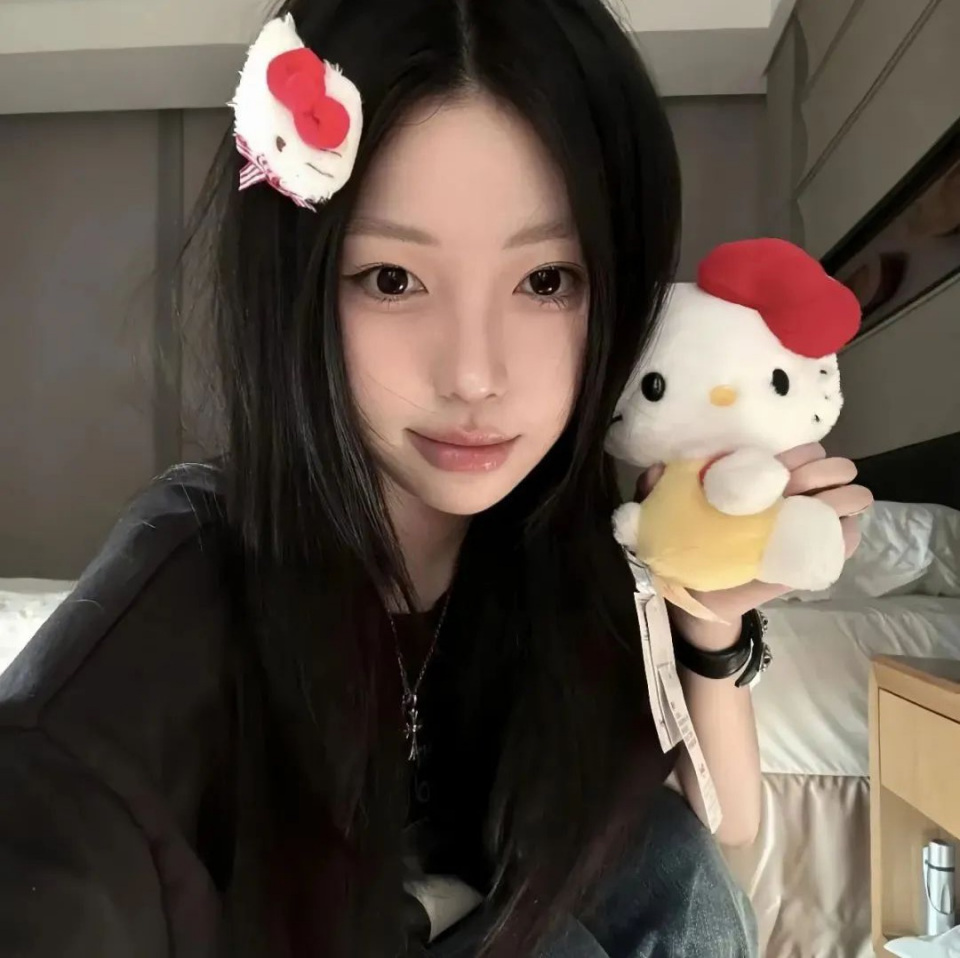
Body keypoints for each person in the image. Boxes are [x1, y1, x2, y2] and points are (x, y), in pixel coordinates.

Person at [0, 1, 872, 956]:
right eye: (392, 279)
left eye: (546, 280)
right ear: (298, 288)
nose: (473, 375)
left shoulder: (576, 544)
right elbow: (53, 821)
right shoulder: (186, 588)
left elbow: (716, 845)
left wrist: (708, 626)